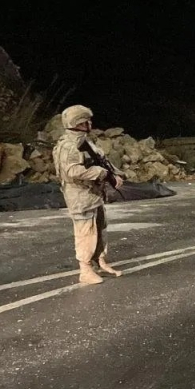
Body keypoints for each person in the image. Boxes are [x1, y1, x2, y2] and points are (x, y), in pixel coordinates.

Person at [52, 105, 124, 285]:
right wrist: (102, 174)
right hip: (80, 195)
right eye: (86, 121)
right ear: (79, 123)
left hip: (93, 194)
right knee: (86, 232)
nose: (89, 124)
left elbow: (101, 160)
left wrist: (114, 174)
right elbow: (72, 171)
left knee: (100, 228)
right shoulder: (69, 145)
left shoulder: (84, 141)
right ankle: (85, 270)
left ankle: (99, 262)